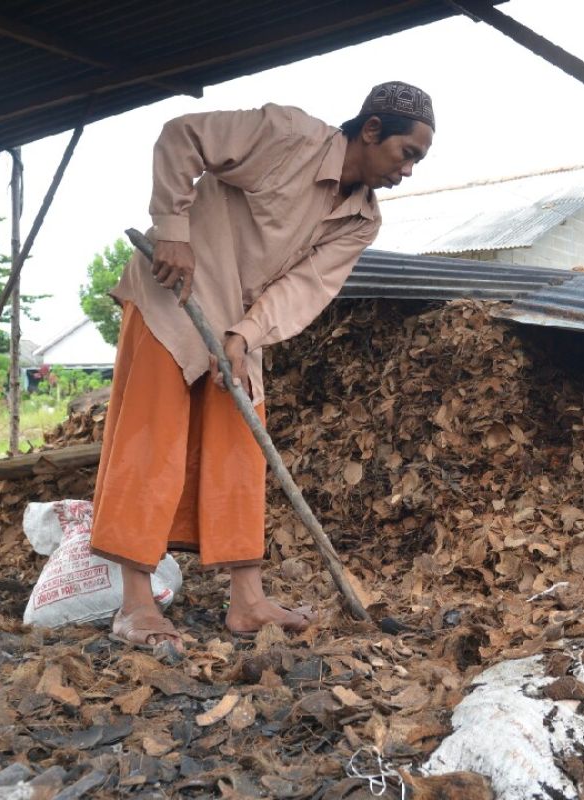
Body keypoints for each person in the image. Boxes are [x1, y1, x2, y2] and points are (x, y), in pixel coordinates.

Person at [90, 82, 435, 651]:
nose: (409, 171)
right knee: (152, 445)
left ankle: (247, 602)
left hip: (239, 326)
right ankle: (136, 605)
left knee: (240, 454)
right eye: (408, 154)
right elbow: (182, 137)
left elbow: (306, 287)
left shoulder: (361, 220)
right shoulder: (288, 136)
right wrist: (173, 230)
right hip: (174, 297)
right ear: (372, 130)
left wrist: (246, 335)